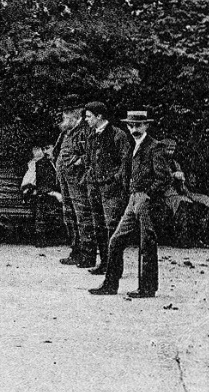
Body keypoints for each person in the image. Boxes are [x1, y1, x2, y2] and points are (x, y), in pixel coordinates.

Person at [91, 110, 171, 297]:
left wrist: (147, 194)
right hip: (132, 199)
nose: (134, 129)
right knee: (116, 240)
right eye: (131, 125)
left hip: (145, 201)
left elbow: (164, 178)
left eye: (138, 125)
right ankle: (110, 285)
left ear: (146, 126)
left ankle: (147, 288)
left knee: (147, 244)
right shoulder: (132, 146)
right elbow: (124, 173)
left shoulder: (154, 147)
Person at [80, 102, 131, 276]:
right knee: (99, 227)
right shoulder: (91, 135)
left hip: (111, 191)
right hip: (94, 188)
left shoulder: (118, 135)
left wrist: (115, 182)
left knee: (112, 228)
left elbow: (125, 163)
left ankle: (114, 267)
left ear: (99, 116)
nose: (86, 120)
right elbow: (88, 158)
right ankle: (104, 263)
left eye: (89, 116)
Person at [53, 95, 94, 267]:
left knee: (82, 217)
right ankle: (76, 251)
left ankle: (88, 254)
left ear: (75, 114)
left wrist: (80, 161)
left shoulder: (86, 130)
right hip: (66, 182)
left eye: (65, 114)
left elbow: (93, 153)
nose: (63, 117)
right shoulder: (66, 132)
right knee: (69, 216)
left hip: (78, 182)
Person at [21, 140, 63, 247]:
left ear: (55, 147)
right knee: (41, 199)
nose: (45, 151)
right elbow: (42, 185)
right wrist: (55, 193)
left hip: (65, 192)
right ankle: (41, 236)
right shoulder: (41, 164)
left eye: (48, 148)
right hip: (49, 194)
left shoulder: (62, 160)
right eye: (43, 149)